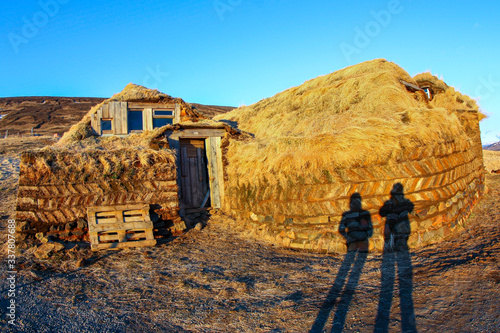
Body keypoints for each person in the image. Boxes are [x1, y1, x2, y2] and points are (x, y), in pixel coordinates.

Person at [379, 183, 414, 252]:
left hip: (399, 226)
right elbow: (382, 212)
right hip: (395, 226)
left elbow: (410, 207)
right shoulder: (391, 203)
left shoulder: (403, 203)